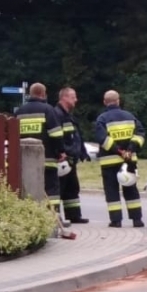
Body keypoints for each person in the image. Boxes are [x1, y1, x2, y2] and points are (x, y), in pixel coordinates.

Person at [95, 90, 147, 228]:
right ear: (118, 101)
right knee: (131, 189)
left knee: (112, 191)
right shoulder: (130, 116)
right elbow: (140, 134)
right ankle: (137, 220)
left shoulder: (102, 119)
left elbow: (103, 139)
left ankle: (116, 221)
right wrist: (130, 150)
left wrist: (119, 151)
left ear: (105, 102)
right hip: (129, 160)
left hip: (109, 162)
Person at [15, 82, 66, 216]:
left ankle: (31, 217)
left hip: (25, 162)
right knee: (52, 190)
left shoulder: (20, 112)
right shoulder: (48, 110)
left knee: (28, 190)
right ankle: (53, 218)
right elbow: (56, 134)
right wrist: (60, 152)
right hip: (47, 159)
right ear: (43, 94)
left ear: (30, 94)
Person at [55, 86, 90, 223]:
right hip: (63, 159)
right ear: (64, 97)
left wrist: (82, 152)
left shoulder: (69, 116)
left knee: (72, 188)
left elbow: (76, 136)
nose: (76, 99)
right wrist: (61, 153)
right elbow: (57, 137)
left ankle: (74, 216)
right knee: (59, 189)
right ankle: (55, 218)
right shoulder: (57, 114)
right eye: (73, 97)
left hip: (72, 159)